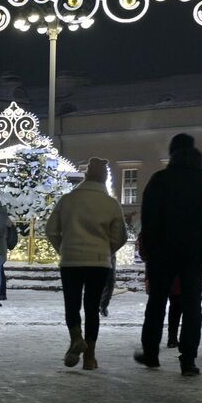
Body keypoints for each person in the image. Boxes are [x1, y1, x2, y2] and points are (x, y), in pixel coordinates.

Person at [134, 133, 202, 375]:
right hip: (196, 252)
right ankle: (188, 359)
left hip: (163, 252)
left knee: (157, 302)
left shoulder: (160, 180)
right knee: (191, 305)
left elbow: (149, 220)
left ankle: (151, 353)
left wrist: (152, 249)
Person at [44, 157, 128, 370]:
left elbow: (51, 230)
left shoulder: (67, 200)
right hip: (99, 263)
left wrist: (64, 248)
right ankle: (90, 357)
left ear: (86, 175)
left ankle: (75, 339)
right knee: (92, 307)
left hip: (71, 260)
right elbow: (121, 236)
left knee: (71, 303)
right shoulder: (111, 204)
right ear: (104, 178)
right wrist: (106, 250)